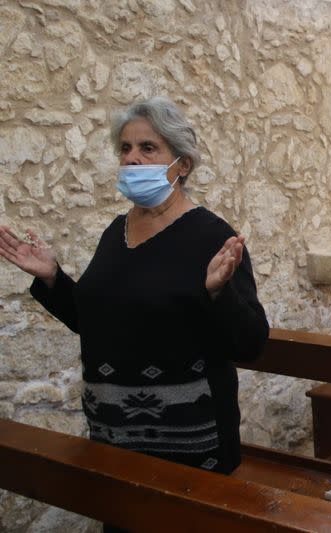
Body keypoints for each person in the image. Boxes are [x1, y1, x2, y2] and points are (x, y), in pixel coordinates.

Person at [0, 97, 269, 480]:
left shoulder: (213, 237)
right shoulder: (116, 231)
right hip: (112, 438)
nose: (132, 159)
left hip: (191, 445)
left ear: (183, 164)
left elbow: (251, 343)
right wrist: (52, 279)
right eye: (125, 148)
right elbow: (96, 321)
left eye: (148, 148)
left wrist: (218, 295)